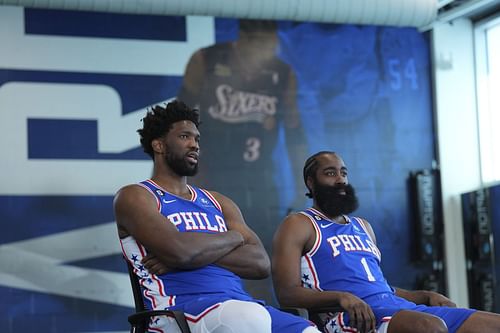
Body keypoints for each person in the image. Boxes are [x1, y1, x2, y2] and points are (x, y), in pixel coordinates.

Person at [113, 100, 320, 333]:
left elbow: (260, 263)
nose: (194, 145)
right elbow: (180, 252)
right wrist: (233, 239)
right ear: (159, 145)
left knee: (308, 330)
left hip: (240, 306)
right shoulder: (136, 196)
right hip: (177, 311)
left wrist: (192, 252)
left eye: (197, 139)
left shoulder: (218, 202)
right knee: (249, 319)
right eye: (184, 137)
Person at [271, 151, 500, 333]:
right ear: (311, 182)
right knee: (429, 327)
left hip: (394, 307)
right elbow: (287, 293)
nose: (340, 179)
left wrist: (424, 295)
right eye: (330, 173)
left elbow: (378, 287)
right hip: (347, 317)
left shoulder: (363, 227)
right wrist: (342, 297)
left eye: (343, 172)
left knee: (492, 324)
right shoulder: (299, 224)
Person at [177, 19, 307, 264]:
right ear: (243, 36)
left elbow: (294, 131)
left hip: (259, 180)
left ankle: (258, 303)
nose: (267, 48)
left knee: (260, 256)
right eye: (260, 41)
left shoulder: (283, 73)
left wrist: (303, 187)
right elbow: (175, 123)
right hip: (210, 175)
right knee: (207, 252)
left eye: (271, 41)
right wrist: (162, 184)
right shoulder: (207, 59)